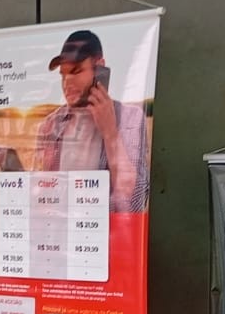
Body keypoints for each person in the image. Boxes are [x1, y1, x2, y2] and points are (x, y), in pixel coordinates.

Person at [34, 29, 150, 213]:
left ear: (100, 67)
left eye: (76, 71)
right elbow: (43, 199)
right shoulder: (50, 125)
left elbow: (133, 204)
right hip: (58, 237)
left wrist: (110, 133)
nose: (67, 82)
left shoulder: (130, 118)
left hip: (105, 239)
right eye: (63, 75)